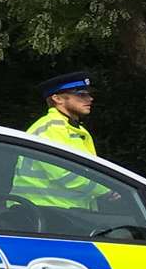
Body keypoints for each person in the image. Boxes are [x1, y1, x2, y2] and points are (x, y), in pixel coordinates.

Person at [12, 70, 100, 210]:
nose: (90, 99)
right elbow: (65, 175)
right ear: (57, 99)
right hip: (43, 210)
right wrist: (107, 189)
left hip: (60, 209)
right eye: (81, 94)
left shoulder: (72, 128)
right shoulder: (51, 128)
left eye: (89, 94)